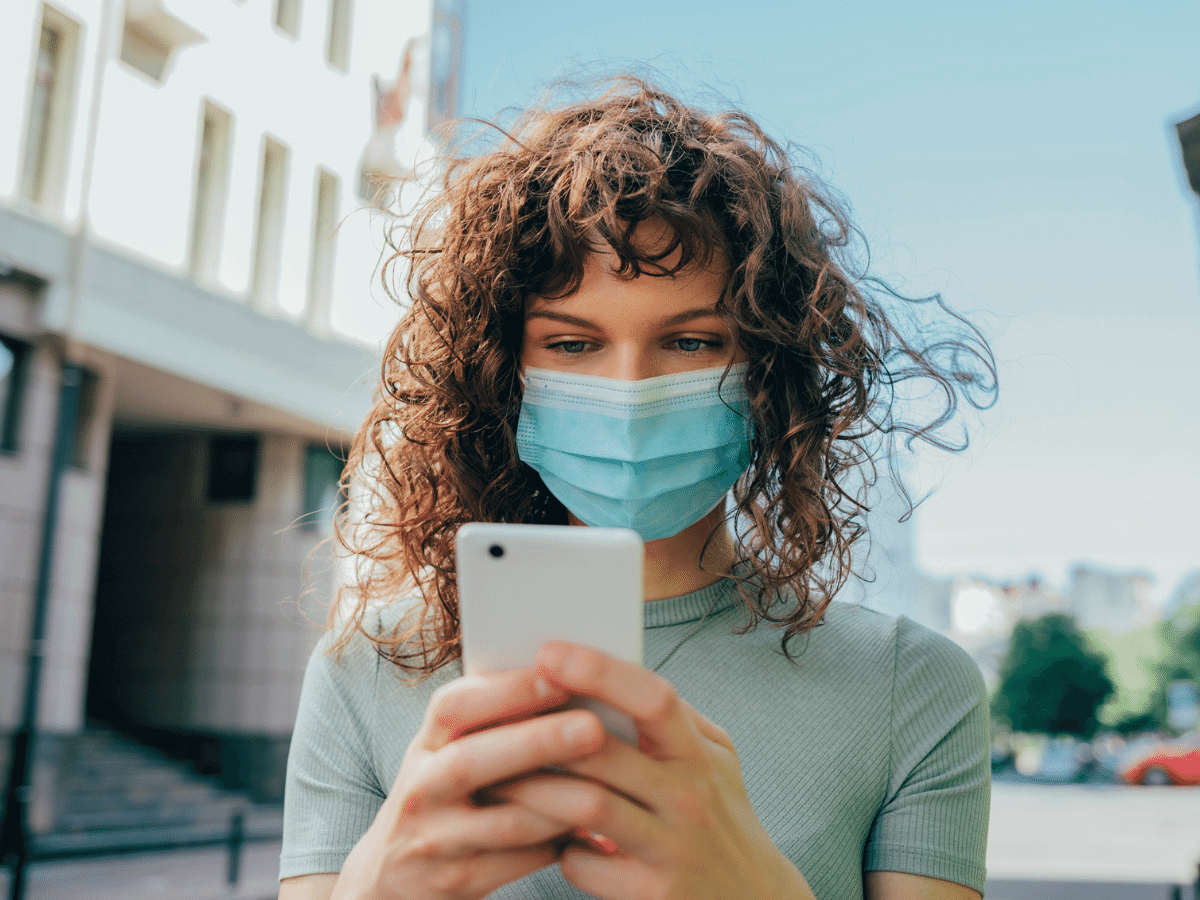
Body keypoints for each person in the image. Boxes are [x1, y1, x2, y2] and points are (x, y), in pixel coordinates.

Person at [278, 77, 997, 900]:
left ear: (769, 371)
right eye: (573, 345)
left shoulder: (909, 683)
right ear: (503, 374)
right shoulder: (366, 668)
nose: (631, 389)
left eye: (691, 341)